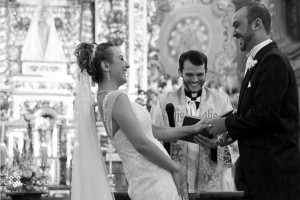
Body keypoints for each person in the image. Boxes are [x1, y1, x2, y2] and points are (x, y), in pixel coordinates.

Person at [72, 41, 210, 200]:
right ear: (105, 66)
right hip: (154, 182)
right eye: (121, 59)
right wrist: (176, 168)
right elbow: (141, 144)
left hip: (147, 182)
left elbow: (155, 132)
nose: (127, 64)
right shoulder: (116, 98)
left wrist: (192, 129)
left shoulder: (105, 98)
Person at [206, 2, 300, 200]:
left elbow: (264, 115)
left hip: (275, 178)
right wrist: (233, 132)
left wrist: (226, 124)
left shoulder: (272, 60)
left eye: (237, 25)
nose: (234, 33)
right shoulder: (261, 61)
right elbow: (256, 113)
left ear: (257, 24)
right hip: (261, 176)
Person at [150, 50, 238, 199]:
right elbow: (151, 138)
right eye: (189, 74)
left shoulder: (221, 101)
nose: (195, 80)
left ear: (206, 72)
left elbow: (234, 144)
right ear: (180, 72)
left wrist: (217, 144)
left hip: (211, 179)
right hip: (174, 177)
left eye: (199, 74)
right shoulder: (163, 101)